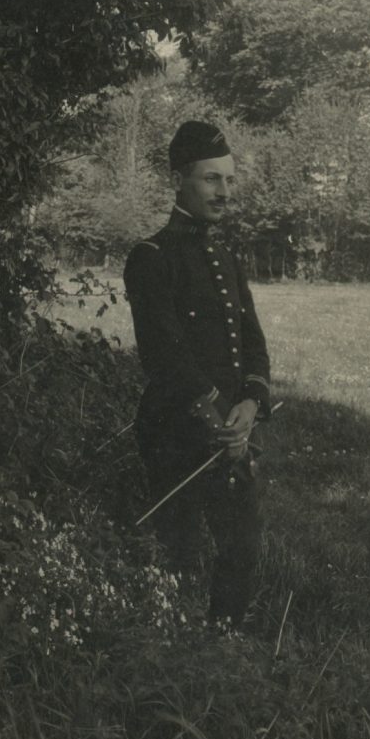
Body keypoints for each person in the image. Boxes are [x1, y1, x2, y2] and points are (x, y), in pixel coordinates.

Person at [123, 121, 271, 628]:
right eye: (211, 179)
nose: (224, 192)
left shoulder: (228, 257)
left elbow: (253, 344)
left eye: (229, 180)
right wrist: (220, 419)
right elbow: (164, 356)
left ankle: (223, 646)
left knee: (241, 548)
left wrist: (250, 405)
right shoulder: (151, 258)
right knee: (177, 557)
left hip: (233, 430)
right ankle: (172, 656)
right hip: (177, 432)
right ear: (178, 180)